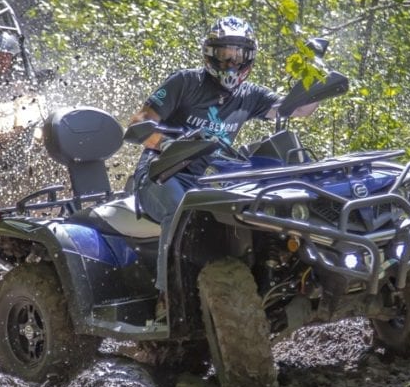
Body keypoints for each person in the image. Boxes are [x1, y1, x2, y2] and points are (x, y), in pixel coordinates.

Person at [128, 15, 317, 294]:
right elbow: (138, 123)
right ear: (210, 54)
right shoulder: (186, 82)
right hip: (163, 173)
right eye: (224, 54)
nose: (231, 63)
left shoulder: (249, 95)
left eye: (238, 56)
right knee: (179, 211)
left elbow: (294, 109)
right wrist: (166, 142)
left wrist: (315, 75)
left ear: (249, 58)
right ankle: (168, 296)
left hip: (212, 180)